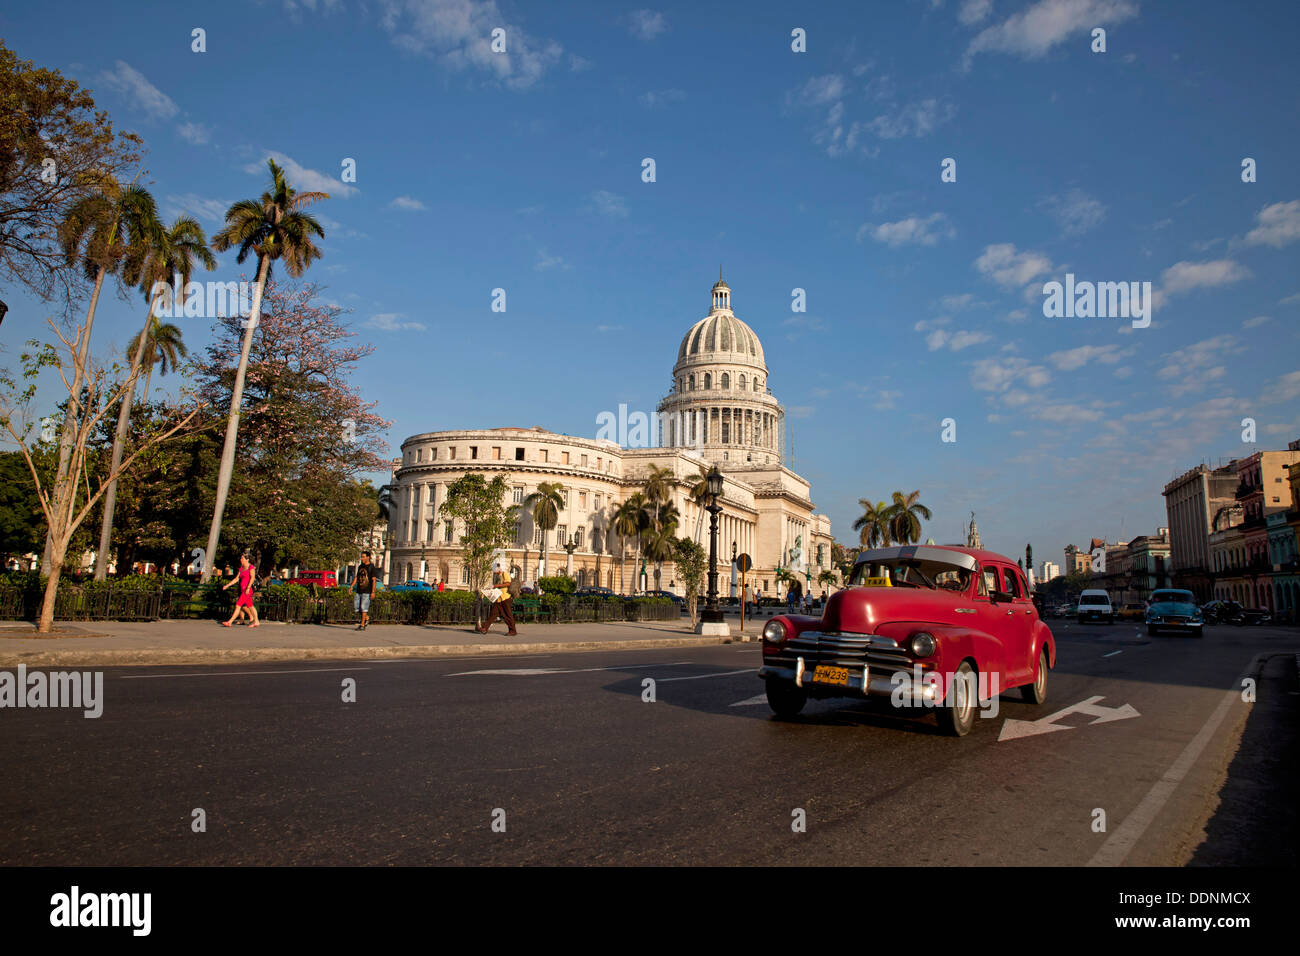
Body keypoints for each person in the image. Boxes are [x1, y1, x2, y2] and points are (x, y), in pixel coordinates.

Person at [477, 558, 517, 636]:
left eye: (494, 568)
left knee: (507, 615)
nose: (493, 570)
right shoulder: (497, 576)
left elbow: (508, 583)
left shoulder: (504, 574)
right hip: (498, 598)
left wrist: (497, 585)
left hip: (505, 598)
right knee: (493, 614)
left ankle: (513, 630)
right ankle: (485, 628)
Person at [221, 554, 260, 628]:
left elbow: (252, 578)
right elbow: (236, 579)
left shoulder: (250, 567)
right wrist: (227, 585)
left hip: (247, 590)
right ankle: (256, 621)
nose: (240, 560)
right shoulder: (242, 568)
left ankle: (230, 622)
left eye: (242, 558)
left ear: (247, 559)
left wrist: (248, 587)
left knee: (238, 605)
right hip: (243, 590)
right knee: (250, 606)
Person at [353, 550, 375, 631]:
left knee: (363, 608)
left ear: (368, 557)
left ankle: (362, 625)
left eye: (363, 557)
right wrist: (352, 586)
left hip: (367, 591)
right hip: (358, 590)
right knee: (356, 608)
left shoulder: (371, 567)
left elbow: (374, 580)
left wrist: (373, 592)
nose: (361, 558)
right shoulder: (360, 566)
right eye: (361, 557)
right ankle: (366, 618)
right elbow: (356, 577)